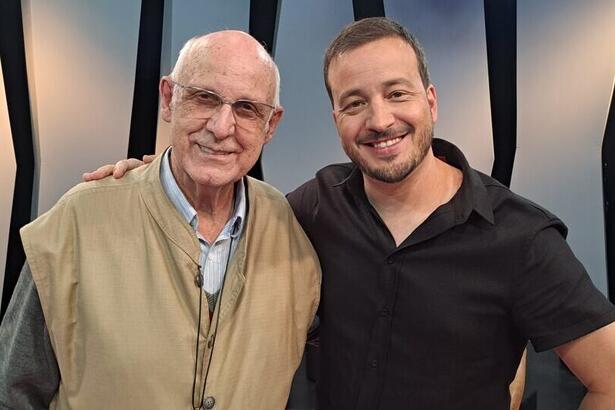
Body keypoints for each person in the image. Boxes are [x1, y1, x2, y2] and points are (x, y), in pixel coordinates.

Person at [81, 18, 615, 409]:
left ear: (429, 101)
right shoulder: (314, 206)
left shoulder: (521, 236)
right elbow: (223, 206)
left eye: (396, 93)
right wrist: (150, 173)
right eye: (355, 102)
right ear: (336, 116)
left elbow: (608, 380)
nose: (379, 119)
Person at [0, 31, 320, 409]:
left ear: (270, 125)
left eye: (247, 108)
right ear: (169, 99)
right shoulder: (76, 224)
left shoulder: (294, 235)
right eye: (205, 97)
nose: (221, 127)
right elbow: (13, 393)